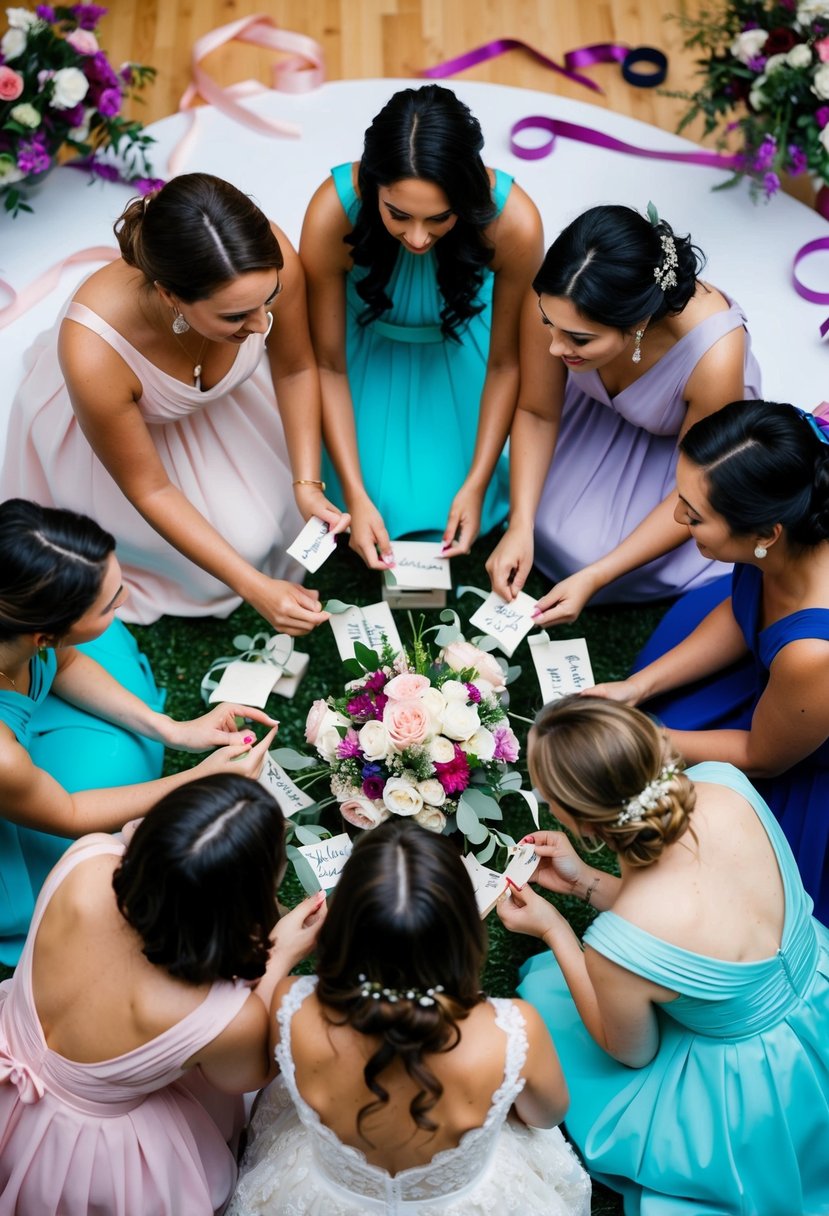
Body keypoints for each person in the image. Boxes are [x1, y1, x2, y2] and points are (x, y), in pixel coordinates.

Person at [500, 695, 829, 1216]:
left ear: (584, 826)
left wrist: (556, 930)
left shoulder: (618, 944)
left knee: (547, 994)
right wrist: (584, 882)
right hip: (820, 991)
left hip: (758, 1089)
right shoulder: (726, 782)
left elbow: (631, 1052)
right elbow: (701, 905)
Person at [1, 172, 347, 633]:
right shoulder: (93, 353)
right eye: (235, 316)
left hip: (226, 403)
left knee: (281, 513)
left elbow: (295, 368)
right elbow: (150, 489)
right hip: (125, 437)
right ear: (170, 296)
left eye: (270, 301)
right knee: (240, 547)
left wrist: (307, 482)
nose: (263, 326)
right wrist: (254, 587)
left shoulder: (268, 258)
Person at [0, 773, 327, 1216]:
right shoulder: (218, 1016)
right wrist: (281, 955)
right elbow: (247, 1075)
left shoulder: (87, 857)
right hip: (86, 1157)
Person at [228, 818, 591, 1215]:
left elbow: (243, 1067)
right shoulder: (515, 1029)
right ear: (463, 931)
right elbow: (544, 1115)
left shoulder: (292, 1005)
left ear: (343, 924)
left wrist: (280, 954)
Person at [0, 497, 279, 967]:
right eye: (111, 602)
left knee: (110, 661)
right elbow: (67, 812)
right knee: (108, 795)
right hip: (25, 794)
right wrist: (196, 780)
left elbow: (63, 660)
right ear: (41, 636)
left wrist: (172, 729)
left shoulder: (29, 628)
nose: (126, 600)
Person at [589, 399, 829, 924]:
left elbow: (764, 756)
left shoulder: (815, 653)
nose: (676, 518)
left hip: (796, 743)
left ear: (767, 535)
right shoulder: (786, 532)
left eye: (694, 516)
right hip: (783, 679)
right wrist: (639, 688)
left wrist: (643, 739)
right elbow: (746, 609)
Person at [300, 83, 543, 568]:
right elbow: (325, 364)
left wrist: (475, 483)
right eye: (398, 214)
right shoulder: (333, 210)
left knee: (449, 498)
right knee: (378, 501)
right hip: (359, 352)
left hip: (461, 353)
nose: (417, 237)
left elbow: (505, 363)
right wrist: (356, 491)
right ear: (372, 187)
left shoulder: (514, 221)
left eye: (439, 218)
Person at [486, 203, 762, 623]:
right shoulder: (555, 296)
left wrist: (596, 576)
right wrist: (518, 525)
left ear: (637, 324)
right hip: (594, 414)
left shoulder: (715, 355)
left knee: (586, 552)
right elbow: (538, 411)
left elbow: (698, 491)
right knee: (538, 520)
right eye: (548, 324)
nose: (555, 350)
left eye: (578, 338)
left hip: (686, 453)